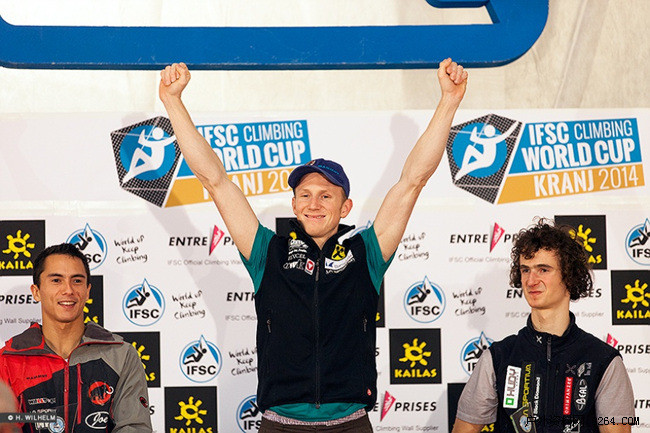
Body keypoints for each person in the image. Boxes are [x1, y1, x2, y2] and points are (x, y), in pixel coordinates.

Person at [159, 58, 468, 431]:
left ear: (345, 207)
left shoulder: (367, 252)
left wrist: (449, 101)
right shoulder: (267, 252)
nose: (314, 203)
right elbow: (215, 181)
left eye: (326, 195)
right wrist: (173, 102)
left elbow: (412, 180)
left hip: (351, 424)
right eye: (304, 195)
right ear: (294, 205)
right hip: (280, 424)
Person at [452, 220, 635, 433]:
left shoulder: (604, 360)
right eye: (525, 270)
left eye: (543, 269)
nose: (531, 281)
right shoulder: (498, 357)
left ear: (569, 276)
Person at [0, 244, 152, 433]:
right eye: (56, 280)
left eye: (77, 281)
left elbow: (134, 427)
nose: (68, 290)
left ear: (87, 291)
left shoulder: (120, 355)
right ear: (36, 291)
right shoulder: (7, 360)